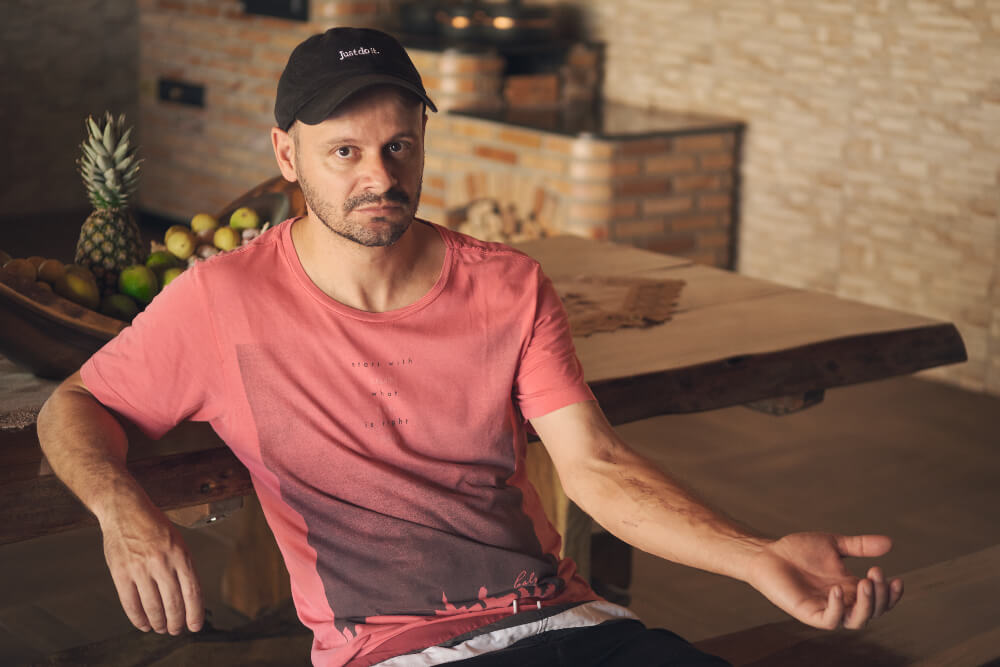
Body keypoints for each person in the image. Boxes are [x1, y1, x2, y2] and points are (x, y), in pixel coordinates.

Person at [37, 27, 903, 667]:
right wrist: (124, 511)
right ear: (286, 155)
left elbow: (595, 466)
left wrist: (758, 559)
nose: (379, 176)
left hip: (566, 624)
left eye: (398, 146)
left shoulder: (508, 285)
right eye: (344, 152)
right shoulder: (223, 298)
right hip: (392, 653)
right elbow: (73, 404)